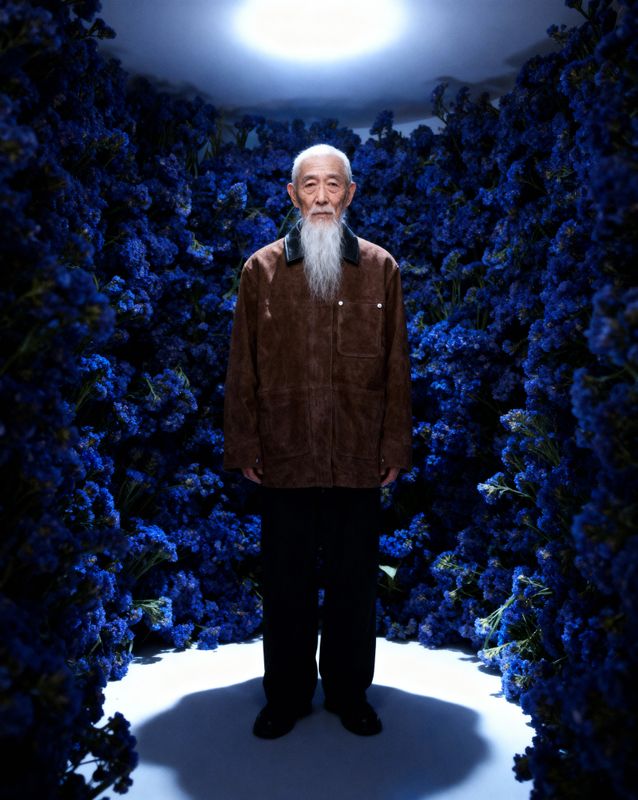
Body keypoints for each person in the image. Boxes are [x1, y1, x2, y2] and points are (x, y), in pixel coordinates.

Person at [223, 143, 412, 739]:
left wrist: (394, 447)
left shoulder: (381, 269)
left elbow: (397, 366)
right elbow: (242, 367)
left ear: (351, 194)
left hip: (358, 454)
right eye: (311, 185)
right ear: (293, 194)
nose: (323, 197)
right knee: (286, 585)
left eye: (335, 185)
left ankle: (350, 694)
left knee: (356, 585)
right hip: (285, 453)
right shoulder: (261, 270)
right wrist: (245, 443)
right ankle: (286, 696)